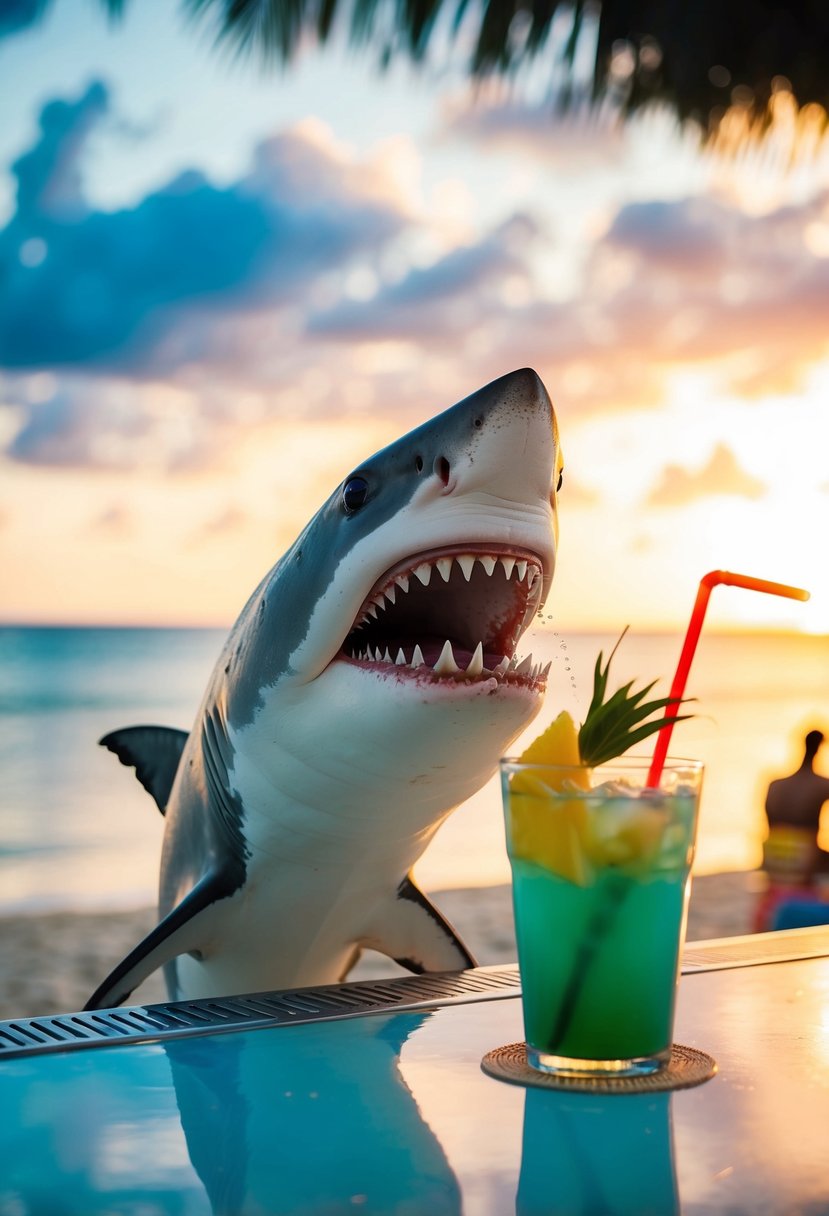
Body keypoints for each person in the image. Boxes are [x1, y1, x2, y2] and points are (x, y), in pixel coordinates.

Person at [763, 730, 829, 884]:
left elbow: (769, 823)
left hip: (773, 853)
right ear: (820, 748)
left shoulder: (775, 785)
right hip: (806, 858)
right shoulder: (821, 785)